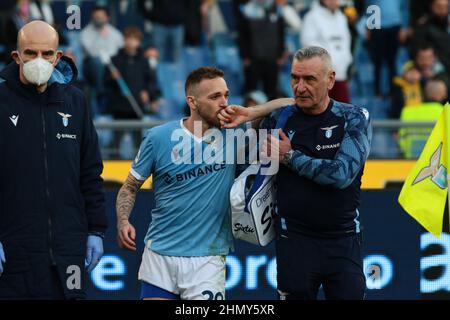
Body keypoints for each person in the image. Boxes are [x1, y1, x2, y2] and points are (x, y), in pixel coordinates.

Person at [115, 66, 292, 300]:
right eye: (215, 96)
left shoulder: (235, 132)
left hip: (207, 259)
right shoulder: (159, 137)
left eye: (226, 95)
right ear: (193, 102)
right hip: (159, 254)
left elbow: (290, 102)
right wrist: (123, 220)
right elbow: (130, 186)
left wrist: (250, 112)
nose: (224, 102)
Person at [218, 46, 372, 300]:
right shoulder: (279, 119)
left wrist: (289, 156)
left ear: (330, 79)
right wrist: (255, 115)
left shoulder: (354, 118)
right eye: (294, 78)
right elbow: (242, 167)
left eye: (309, 79)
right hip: (294, 241)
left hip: (343, 241)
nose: (300, 87)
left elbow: (340, 175)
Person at [0, 20, 107, 299]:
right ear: (17, 56)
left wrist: (96, 230)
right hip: (14, 251)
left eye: (47, 54)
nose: (39, 60)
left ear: (58, 56)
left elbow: (90, 171)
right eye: (31, 53)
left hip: (68, 250)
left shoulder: (75, 101)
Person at [301, 0, 353, 103]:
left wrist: (347, 61)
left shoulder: (341, 18)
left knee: (343, 114)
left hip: (341, 75)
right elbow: (307, 42)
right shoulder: (312, 17)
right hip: (321, 77)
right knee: (320, 114)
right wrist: (329, 58)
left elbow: (346, 41)